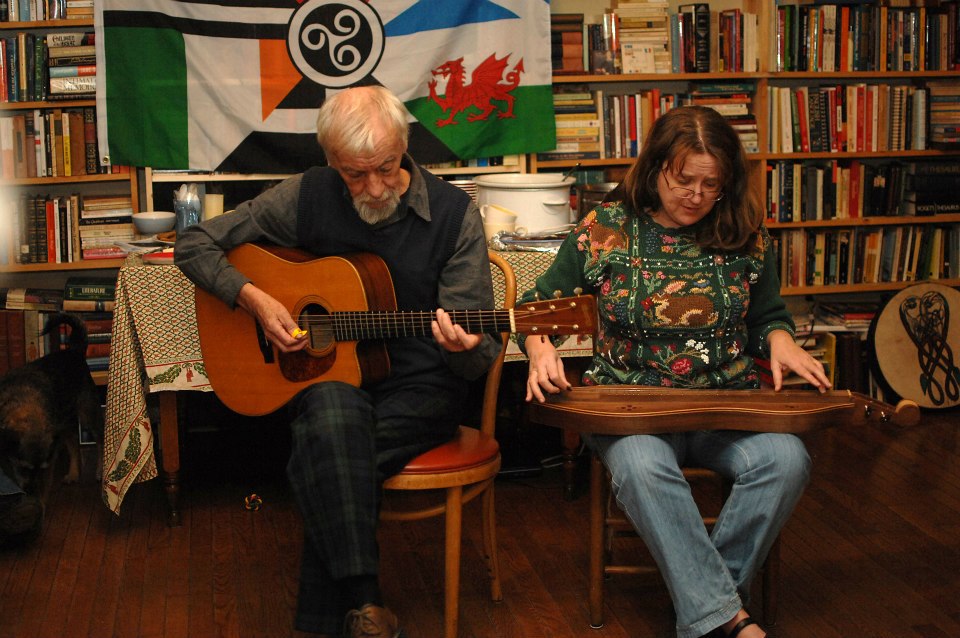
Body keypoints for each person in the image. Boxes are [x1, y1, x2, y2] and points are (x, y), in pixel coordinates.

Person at [175, 85, 501, 638]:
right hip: (333, 383)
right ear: (330, 161)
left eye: (387, 168)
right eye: (355, 174)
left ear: (405, 146)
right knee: (329, 413)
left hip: (421, 388)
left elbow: (478, 355)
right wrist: (253, 298)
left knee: (328, 453)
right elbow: (194, 245)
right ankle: (366, 606)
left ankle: (341, 615)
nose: (374, 187)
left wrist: (464, 345)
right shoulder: (306, 195)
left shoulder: (453, 215)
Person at [520, 105, 831, 638]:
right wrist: (538, 345)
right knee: (642, 469)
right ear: (657, 166)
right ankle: (726, 618)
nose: (695, 195)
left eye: (711, 185)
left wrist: (779, 338)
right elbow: (537, 306)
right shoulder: (606, 229)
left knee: (787, 460)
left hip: (725, 407)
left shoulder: (743, 232)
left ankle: (709, 608)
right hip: (631, 412)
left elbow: (766, 316)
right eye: (683, 179)